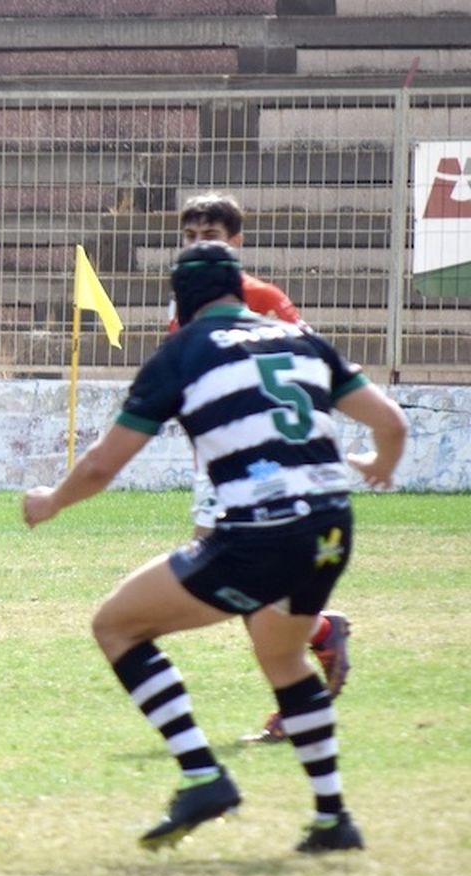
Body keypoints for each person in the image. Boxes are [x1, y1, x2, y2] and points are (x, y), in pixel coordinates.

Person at [23, 241, 408, 853]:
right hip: (333, 526)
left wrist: (51, 502)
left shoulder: (183, 352)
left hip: (262, 529)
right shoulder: (300, 338)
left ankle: (204, 777)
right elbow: (392, 423)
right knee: (283, 659)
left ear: (180, 302)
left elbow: (102, 466)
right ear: (240, 289)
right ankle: (334, 818)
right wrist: (379, 466)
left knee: (116, 627)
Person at [173, 192, 352, 744]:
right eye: (193, 234)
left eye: (214, 234)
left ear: (237, 241)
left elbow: (306, 367)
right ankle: (318, 637)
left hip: (262, 466)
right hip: (221, 464)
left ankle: (308, 663)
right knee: (236, 575)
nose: (203, 243)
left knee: (226, 572)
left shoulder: (263, 299)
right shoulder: (183, 304)